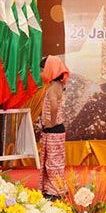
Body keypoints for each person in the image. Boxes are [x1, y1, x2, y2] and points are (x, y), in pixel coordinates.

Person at [39, 56, 69, 197]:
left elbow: (54, 106)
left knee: (52, 162)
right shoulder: (59, 86)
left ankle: (54, 190)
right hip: (57, 130)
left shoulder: (52, 89)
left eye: (42, 71)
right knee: (56, 160)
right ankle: (57, 187)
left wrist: (50, 122)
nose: (40, 74)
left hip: (53, 130)